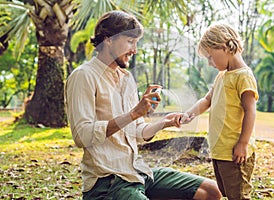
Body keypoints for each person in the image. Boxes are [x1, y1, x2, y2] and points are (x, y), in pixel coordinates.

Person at [65, 10, 222, 200]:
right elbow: (82, 135)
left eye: (136, 43)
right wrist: (133, 114)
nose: (134, 50)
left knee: (211, 192)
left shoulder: (126, 78)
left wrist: (164, 122)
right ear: (108, 40)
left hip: (137, 172)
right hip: (107, 182)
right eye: (130, 41)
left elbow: (137, 132)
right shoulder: (84, 76)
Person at [180, 23, 259, 200]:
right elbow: (207, 100)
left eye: (210, 57)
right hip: (221, 151)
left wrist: (243, 144)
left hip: (235, 152)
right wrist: (189, 114)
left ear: (224, 47)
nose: (209, 63)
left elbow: (250, 111)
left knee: (238, 195)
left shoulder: (243, 76)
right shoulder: (222, 75)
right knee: (227, 192)